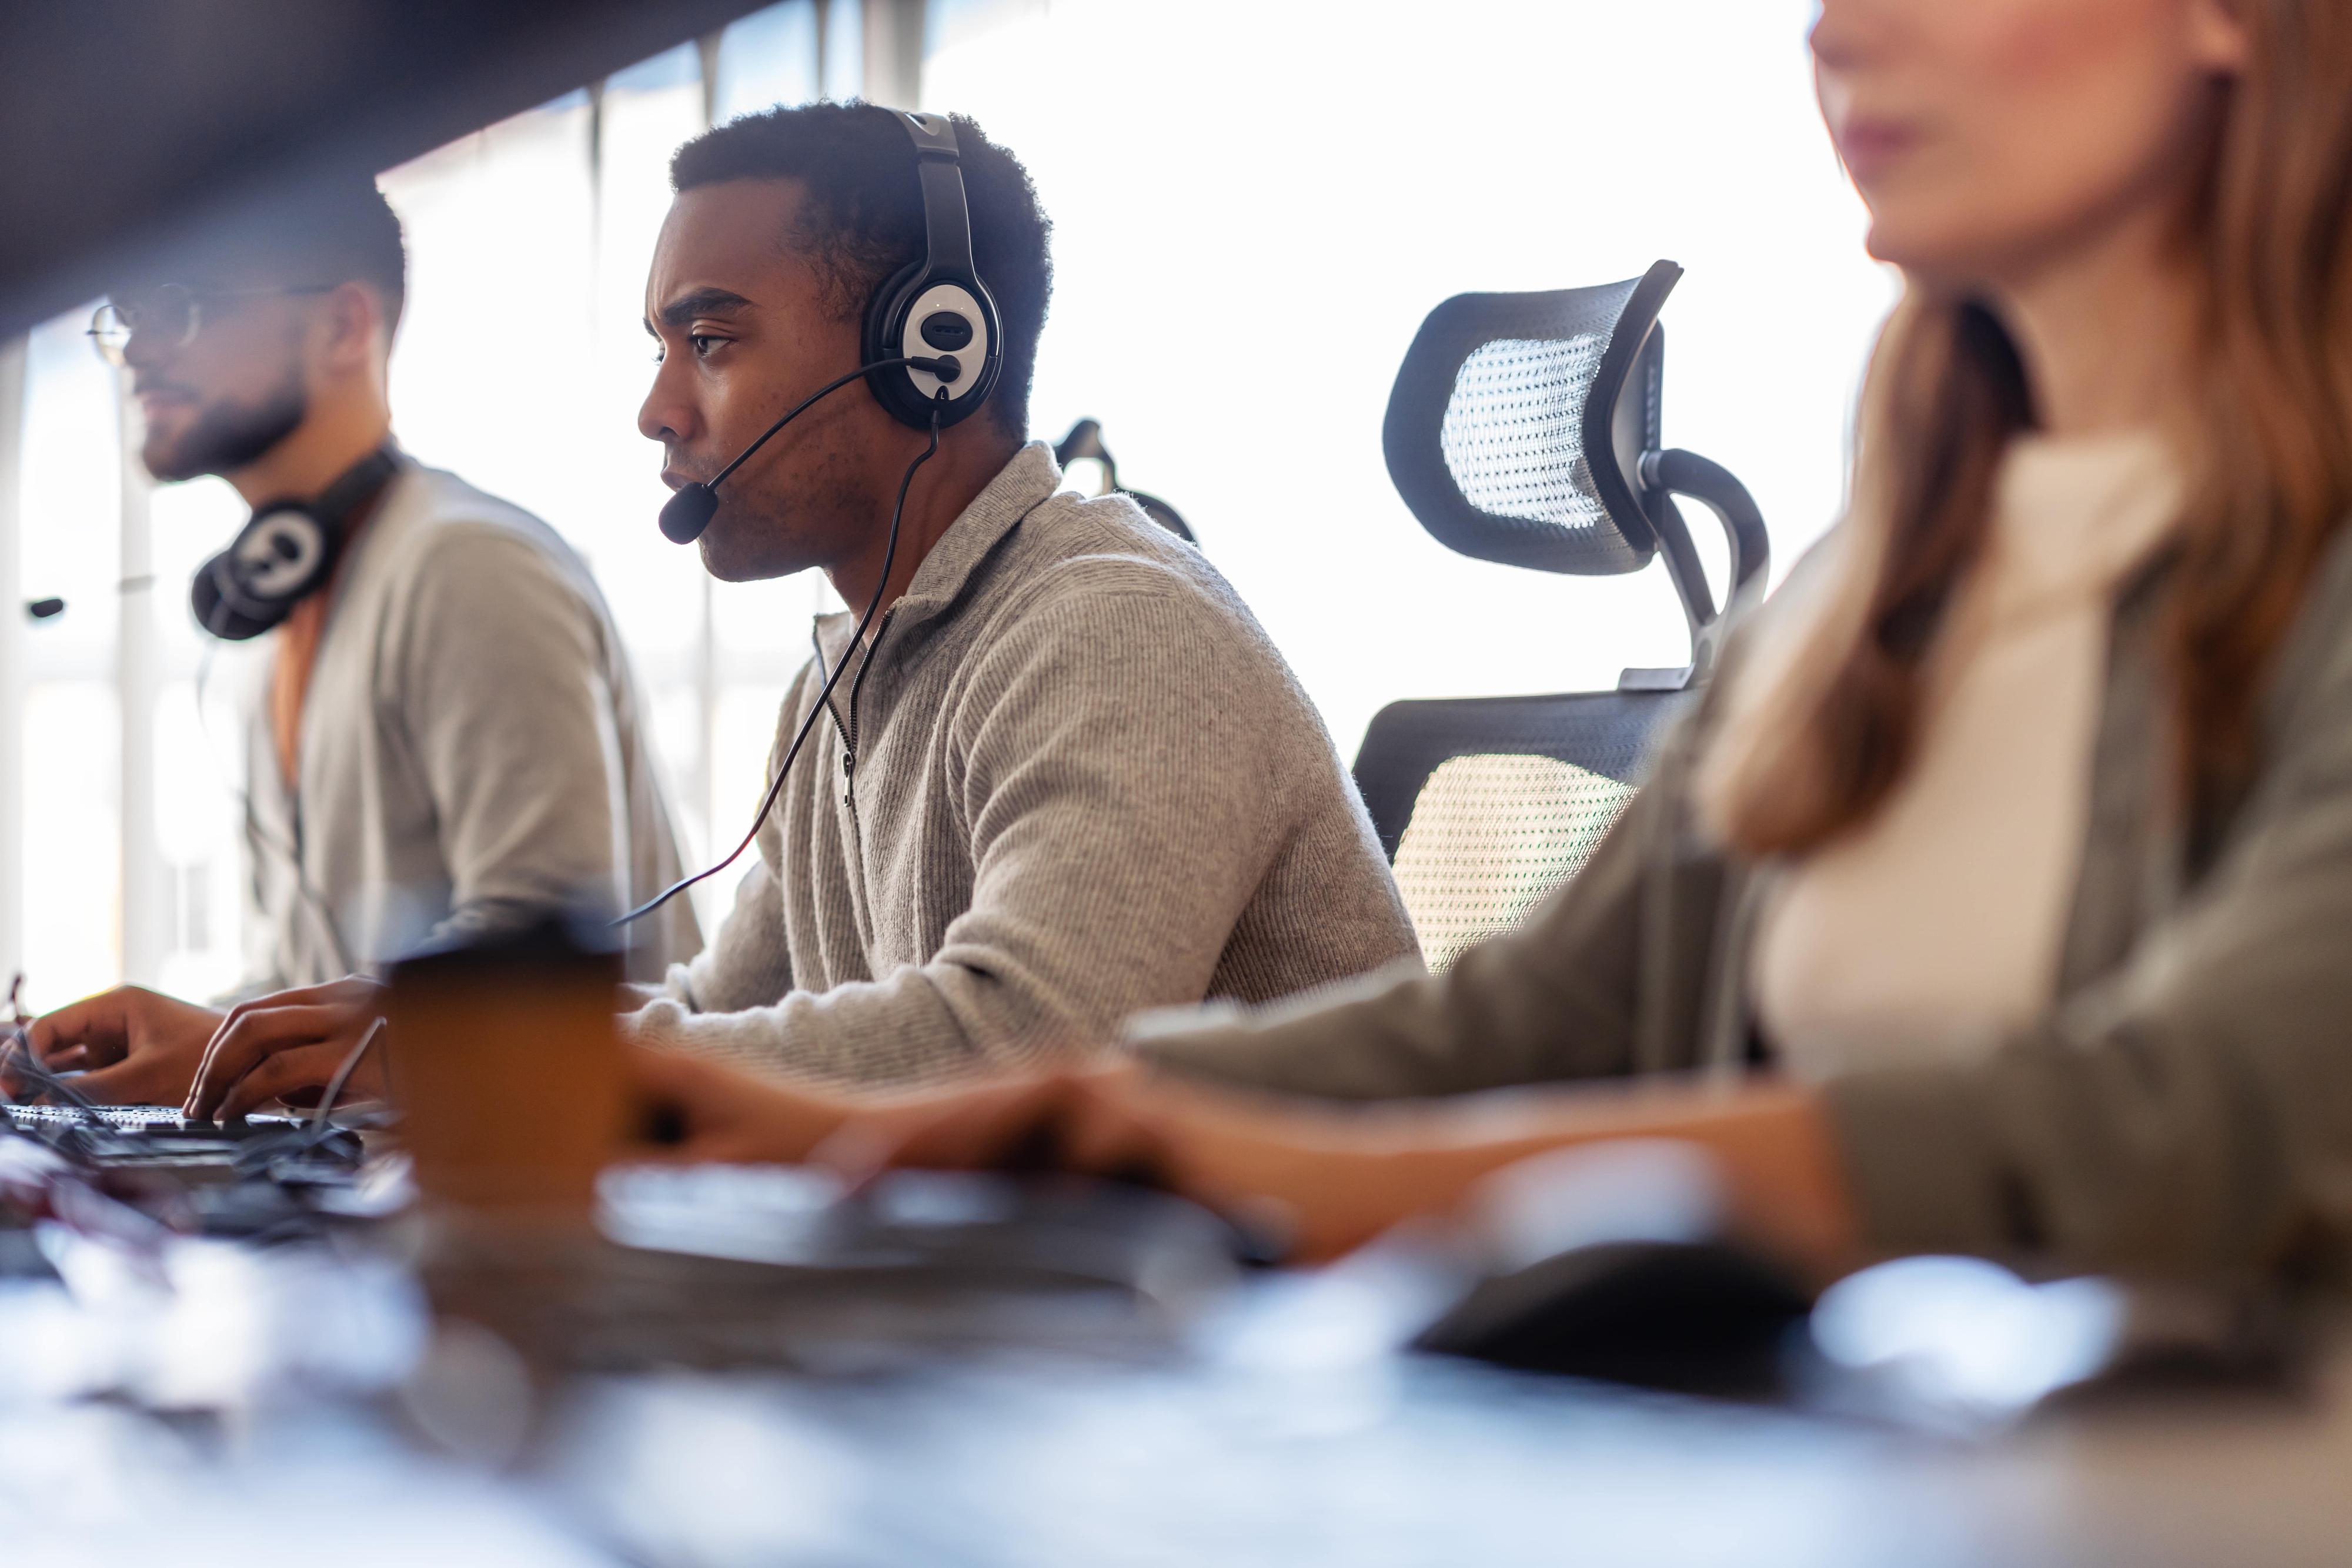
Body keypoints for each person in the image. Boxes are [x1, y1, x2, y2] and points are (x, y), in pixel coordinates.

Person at [623, 0, 2352, 1285]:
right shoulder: (1857, 598)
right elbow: (1528, 1021)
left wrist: (1263, 1157)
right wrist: (1058, 1111)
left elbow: (2192, 1118)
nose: (1840, 30)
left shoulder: (2309, 569)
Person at [177, 103, 1416, 1121]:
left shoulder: (1113, 630)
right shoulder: (847, 673)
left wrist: (511, 1063)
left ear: (929, 351)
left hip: (1294, 1355)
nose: (657, 408)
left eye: (708, 339)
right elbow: (720, 1015)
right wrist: (436, 1035)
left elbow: (1023, 1043)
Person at [22, 180, 700, 1107]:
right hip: (377, 1192)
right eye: (129, 315)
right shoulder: (276, 616)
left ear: (345, 326)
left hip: (543, 1202)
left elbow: (540, 972)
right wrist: (117, 1056)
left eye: (182, 308)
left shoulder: (469, 569)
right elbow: (311, 982)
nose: (138, 351)